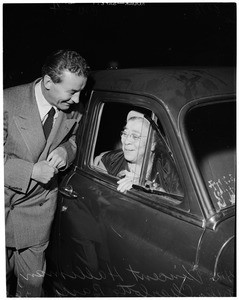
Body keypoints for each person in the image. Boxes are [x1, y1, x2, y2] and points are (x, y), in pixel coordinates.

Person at [4, 49, 90, 297]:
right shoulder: (6, 102)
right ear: (49, 82)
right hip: (5, 205)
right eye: (72, 92)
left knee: (32, 287)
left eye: (80, 91)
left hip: (38, 213)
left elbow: (75, 139)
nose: (76, 100)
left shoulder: (74, 108)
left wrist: (66, 150)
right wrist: (30, 170)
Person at [94, 110, 183, 195]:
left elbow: (178, 204)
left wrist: (146, 185)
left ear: (152, 144)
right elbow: (96, 193)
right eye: (125, 133)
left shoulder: (168, 171)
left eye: (135, 136)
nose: (126, 141)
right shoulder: (109, 161)